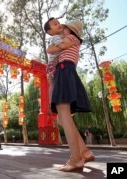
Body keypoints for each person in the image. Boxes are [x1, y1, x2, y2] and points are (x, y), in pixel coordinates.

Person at [45, 18, 94, 172]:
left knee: (64, 115)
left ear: (69, 30)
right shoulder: (67, 39)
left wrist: (54, 44)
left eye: (63, 26)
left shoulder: (72, 38)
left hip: (65, 70)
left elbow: (51, 50)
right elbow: (52, 50)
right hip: (63, 71)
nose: (61, 27)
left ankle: (76, 159)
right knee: (61, 118)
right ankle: (84, 152)